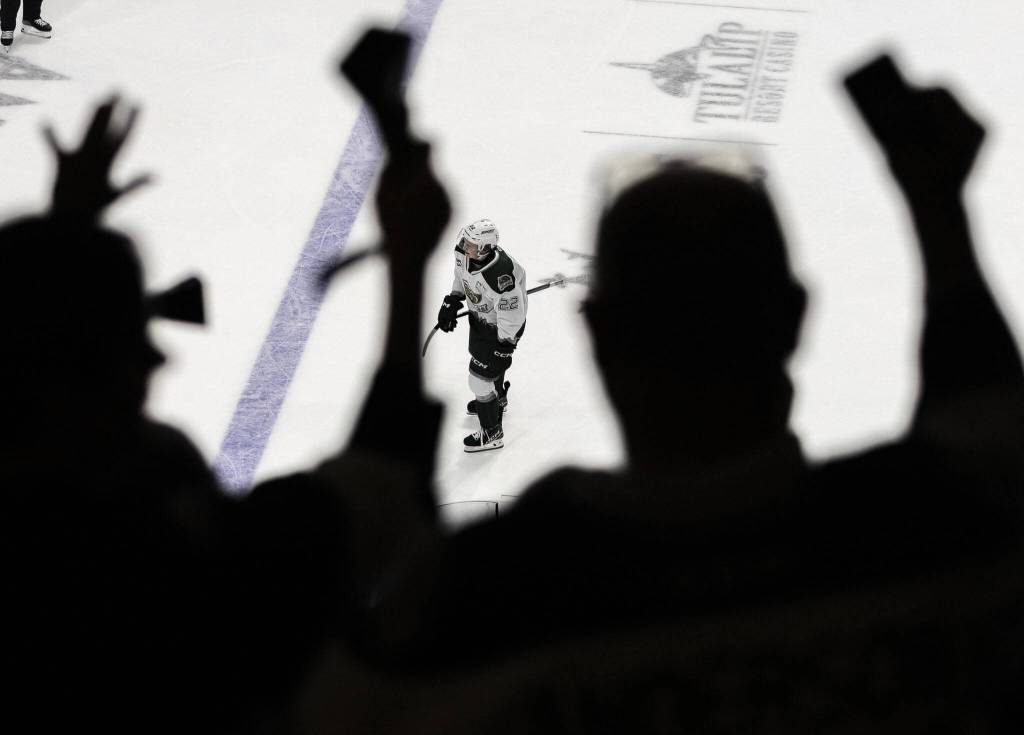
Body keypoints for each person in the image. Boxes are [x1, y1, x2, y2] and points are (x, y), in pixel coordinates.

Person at [371, 54, 1024, 730]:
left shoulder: (495, 598)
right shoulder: (924, 537)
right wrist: (939, 210)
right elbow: (993, 434)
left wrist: (404, 274)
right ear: (795, 315)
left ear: (597, 333)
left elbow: (373, 548)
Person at [436, 218, 528, 452]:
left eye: (470, 244)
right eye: (465, 240)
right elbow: (461, 274)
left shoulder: (500, 278)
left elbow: (512, 317)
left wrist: (504, 346)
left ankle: (492, 432)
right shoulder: (464, 252)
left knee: (478, 379)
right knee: (478, 357)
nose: (464, 246)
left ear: (485, 248)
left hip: (501, 329)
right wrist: (453, 299)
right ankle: (497, 399)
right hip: (480, 319)